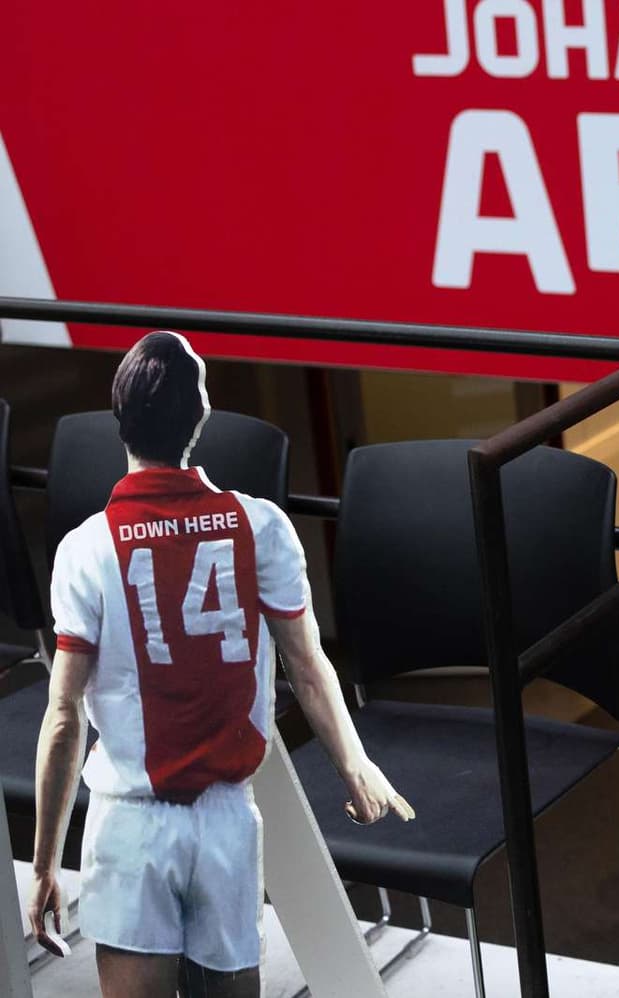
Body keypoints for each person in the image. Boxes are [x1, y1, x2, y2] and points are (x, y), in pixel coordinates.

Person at [27, 331, 414, 998]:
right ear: (200, 416)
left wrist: (43, 866)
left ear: (121, 418)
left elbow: (64, 717)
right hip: (227, 821)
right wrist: (354, 765)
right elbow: (308, 662)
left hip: (130, 823)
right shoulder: (260, 526)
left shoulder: (87, 549)